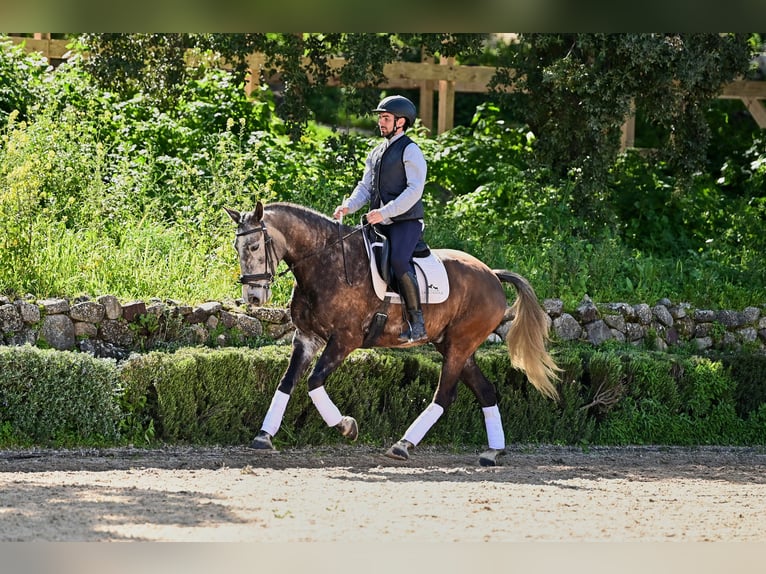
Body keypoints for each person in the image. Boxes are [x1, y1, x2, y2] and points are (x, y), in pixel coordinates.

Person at [333, 95, 428, 343]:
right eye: (380, 118)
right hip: (378, 221)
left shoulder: (411, 150)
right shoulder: (376, 152)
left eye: (385, 118)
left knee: (398, 261)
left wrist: (385, 212)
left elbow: (414, 190)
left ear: (401, 122)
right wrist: (348, 207)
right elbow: (365, 188)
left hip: (405, 222)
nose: (380, 122)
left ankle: (417, 323)